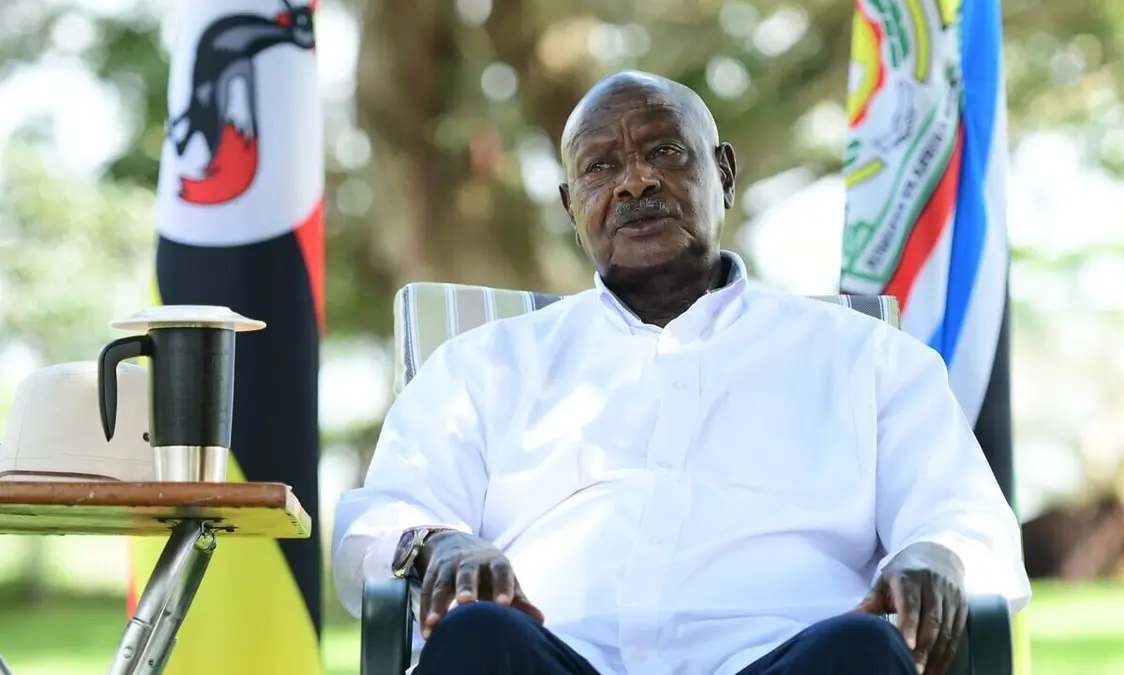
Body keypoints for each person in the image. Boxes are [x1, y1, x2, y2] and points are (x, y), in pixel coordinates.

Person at [332, 71, 1030, 675]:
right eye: (600, 167)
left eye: (664, 151)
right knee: (477, 635)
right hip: (555, 658)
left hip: (785, 660)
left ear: (724, 173)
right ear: (571, 205)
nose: (635, 181)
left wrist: (936, 554)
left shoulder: (868, 357)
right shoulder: (483, 365)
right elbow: (379, 522)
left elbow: (966, 518)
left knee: (863, 649)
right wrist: (438, 542)